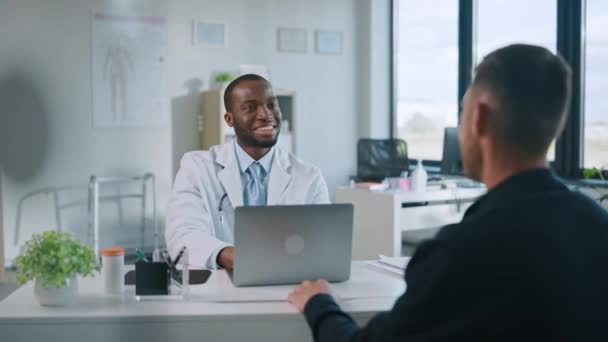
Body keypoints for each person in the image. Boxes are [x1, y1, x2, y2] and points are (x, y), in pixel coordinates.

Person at [288, 44, 608, 341]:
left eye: (461, 111)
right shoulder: (597, 225)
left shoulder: (462, 253)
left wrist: (318, 302)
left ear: (479, 118)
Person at [166, 74, 330, 270]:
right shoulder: (197, 167)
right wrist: (235, 257)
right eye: (250, 108)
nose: (265, 114)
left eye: (271, 105)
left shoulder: (309, 176)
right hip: (220, 284)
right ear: (229, 119)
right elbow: (182, 235)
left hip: (287, 285)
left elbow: (323, 243)